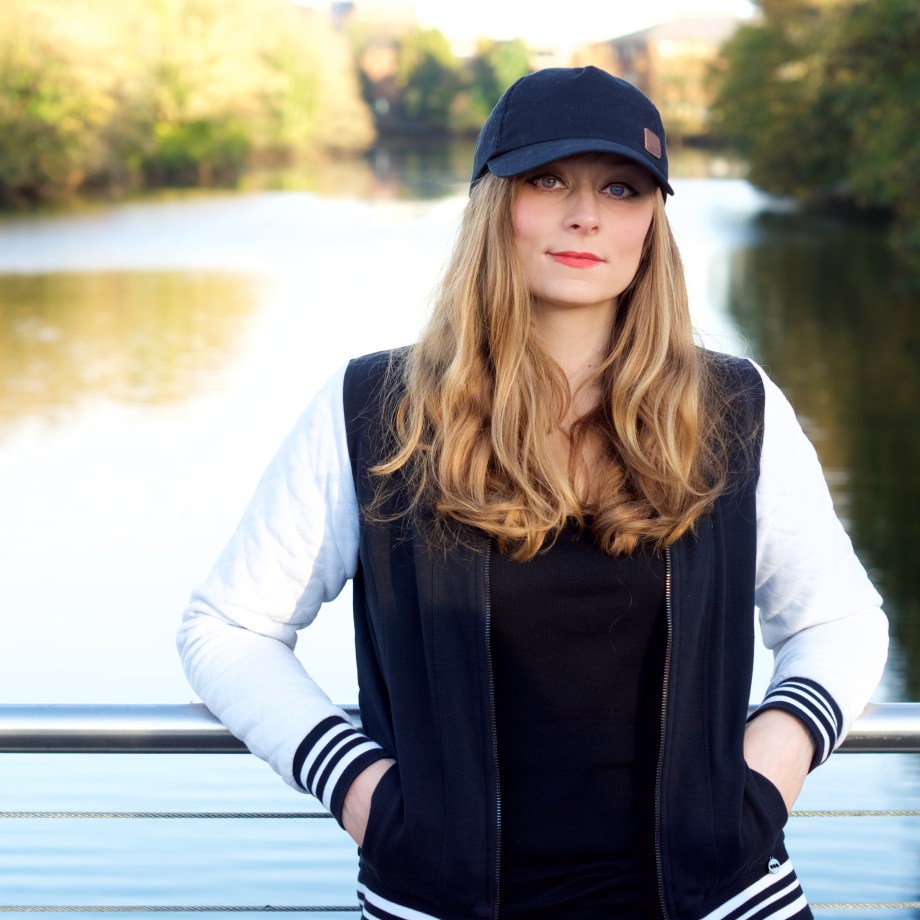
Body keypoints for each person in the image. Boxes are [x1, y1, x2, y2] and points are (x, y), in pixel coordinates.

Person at [177, 67, 888, 919]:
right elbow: (228, 628)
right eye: (548, 181)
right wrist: (363, 791)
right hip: (441, 901)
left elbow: (838, 622)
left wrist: (766, 778)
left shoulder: (734, 407)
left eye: (620, 188)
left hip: (721, 901)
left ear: (651, 223)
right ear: (491, 204)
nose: (585, 214)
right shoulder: (376, 410)